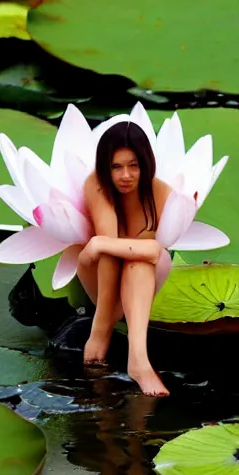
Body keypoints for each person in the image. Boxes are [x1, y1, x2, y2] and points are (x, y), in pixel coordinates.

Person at [77, 121, 173, 397]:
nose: (125, 176)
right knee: (112, 253)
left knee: (143, 260)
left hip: (140, 279)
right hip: (97, 276)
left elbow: (154, 252)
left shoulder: (162, 193)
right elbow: (107, 256)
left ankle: (139, 360)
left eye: (134, 165)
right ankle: (110, 330)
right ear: (105, 167)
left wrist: (100, 242)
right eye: (116, 167)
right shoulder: (97, 184)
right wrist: (101, 328)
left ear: (146, 164)